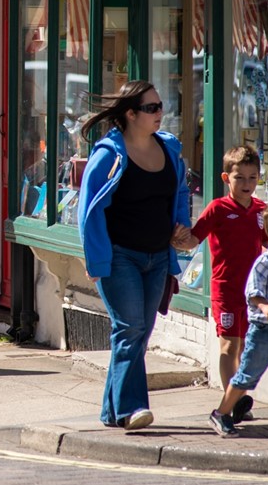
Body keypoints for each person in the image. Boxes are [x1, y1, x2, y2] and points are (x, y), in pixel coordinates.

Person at [76, 80, 190, 430]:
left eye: (160, 106)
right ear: (130, 114)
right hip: (120, 256)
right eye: (152, 108)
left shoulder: (169, 149)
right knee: (130, 329)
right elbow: (88, 211)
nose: (161, 113)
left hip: (157, 256)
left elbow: (181, 190)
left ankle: (112, 410)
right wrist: (97, 261)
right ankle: (133, 407)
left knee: (139, 334)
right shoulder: (109, 155)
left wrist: (182, 228)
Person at [174, 145, 268, 423]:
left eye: (253, 178)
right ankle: (233, 402)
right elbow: (193, 239)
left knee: (244, 349)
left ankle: (237, 401)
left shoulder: (261, 211)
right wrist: (176, 237)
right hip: (225, 289)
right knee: (229, 346)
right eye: (240, 177)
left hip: (252, 293)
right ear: (226, 178)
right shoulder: (217, 208)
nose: (247, 184)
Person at [208, 196, 268, 438]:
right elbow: (252, 291)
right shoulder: (265, 262)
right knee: (246, 376)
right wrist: (265, 306)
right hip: (265, 333)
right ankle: (221, 414)